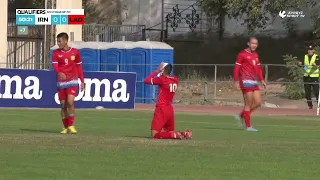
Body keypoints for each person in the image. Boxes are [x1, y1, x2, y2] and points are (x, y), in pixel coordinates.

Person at [144, 62, 192, 139]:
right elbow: (168, 78)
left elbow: (146, 80)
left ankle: (176, 135)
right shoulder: (175, 80)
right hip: (170, 109)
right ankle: (185, 133)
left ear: (163, 70)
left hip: (161, 108)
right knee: (169, 133)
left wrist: (157, 71)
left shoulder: (162, 80)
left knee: (155, 134)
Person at [52, 32, 85, 134]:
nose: (58, 43)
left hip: (73, 80)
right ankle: (66, 127)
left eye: (60, 41)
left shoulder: (75, 52)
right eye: (57, 41)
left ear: (66, 41)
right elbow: (55, 66)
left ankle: (71, 125)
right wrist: (59, 72)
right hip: (61, 82)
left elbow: (79, 67)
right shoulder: (56, 53)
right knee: (63, 105)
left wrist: (82, 81)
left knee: (70, 102)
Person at [233, 37, 267, 132]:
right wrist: (236, 81)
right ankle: (248, 127)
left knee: (258, 102)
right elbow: (236, 68)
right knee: (248, 104)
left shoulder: (256, 55)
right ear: (248, 43)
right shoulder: (242, 54)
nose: (254, 45)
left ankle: (241, 116)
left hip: (254, 81)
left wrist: (262, 80)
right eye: (252, 43)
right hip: (245, 81)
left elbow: (259, 69)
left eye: (256, 44)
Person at [298, 45, 319, 109]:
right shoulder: (305, 56)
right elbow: (302, 64)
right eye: (309, 49)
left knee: (317, 92)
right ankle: (310, 106)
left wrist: (315, 64)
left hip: (314, 77)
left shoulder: (317, 56)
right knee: (307, 93)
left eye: (311, 49)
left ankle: (319, 105)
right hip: (307, 76)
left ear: (313, 50)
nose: (310, 51)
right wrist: (299, 64)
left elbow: (317, 64)